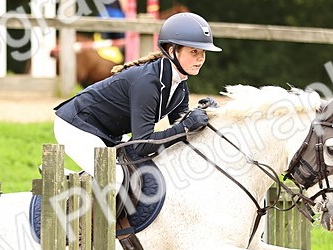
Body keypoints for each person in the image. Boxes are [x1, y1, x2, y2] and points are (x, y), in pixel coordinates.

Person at [53, 11, 221, 182]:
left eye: (203, 52)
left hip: (107, 132)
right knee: (116, 179)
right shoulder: (148, 83)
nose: (200, 59)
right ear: (172, 51)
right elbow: (142, 145)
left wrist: (207, 115)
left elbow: (180, 125)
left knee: (142, 171)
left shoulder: (179, 86)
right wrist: (186, 127)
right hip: (76, 126)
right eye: (194, 51)